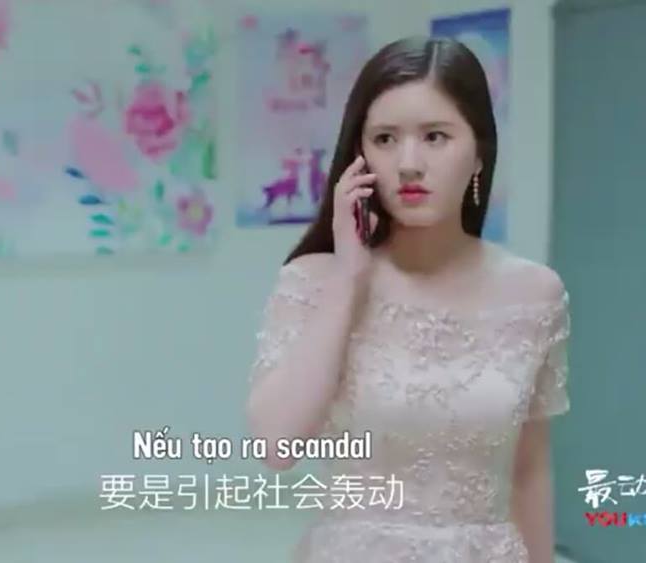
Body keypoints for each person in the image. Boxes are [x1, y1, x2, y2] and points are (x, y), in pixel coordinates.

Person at [246, 36, 570, 563]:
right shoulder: (314, 281)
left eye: (435, 136)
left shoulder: (535, 294)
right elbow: (276, 445)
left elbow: (530, 469)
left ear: (479, 151)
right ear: (360, 156)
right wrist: (349, 279)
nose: (409, 163)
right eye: (385, 139)